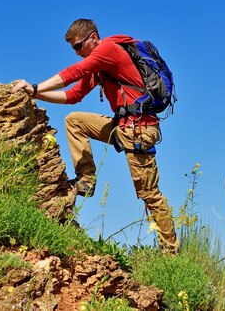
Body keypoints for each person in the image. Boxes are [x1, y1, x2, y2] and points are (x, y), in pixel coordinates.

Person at [12, 18, 179, 252]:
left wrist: (37, 86)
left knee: (149, 193)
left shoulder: (107, 50)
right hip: (122, 125)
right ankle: (86, 180)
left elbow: (74, 72)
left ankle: (171, 251)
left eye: (78, 46)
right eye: (73, 49)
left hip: (138, 128)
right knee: (75, 121)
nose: (77, 53)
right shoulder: (99, 67)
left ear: (92, 38)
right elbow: (73, 96)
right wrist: (35, 94)